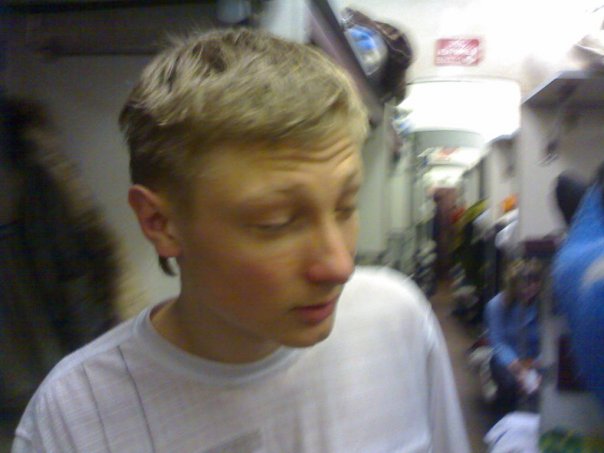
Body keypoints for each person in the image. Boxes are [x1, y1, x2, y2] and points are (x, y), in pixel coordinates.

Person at [12, 28, 470, 452]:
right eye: (276, 222)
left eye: (346, 206)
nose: (339, 266)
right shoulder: (78, 416)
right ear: (159, 223)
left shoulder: (396, 323)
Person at [485, 260, 542, 413]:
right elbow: (498, 342)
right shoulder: (496, 305)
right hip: (507, 360)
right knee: (510, 385)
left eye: (534, 282)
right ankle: (503, 418)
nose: (530, 288)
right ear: (514, 284)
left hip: (536, 361)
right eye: (525, 284)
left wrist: (536, 365)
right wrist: (519, 370)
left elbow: (549, 341)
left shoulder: (544, 306)